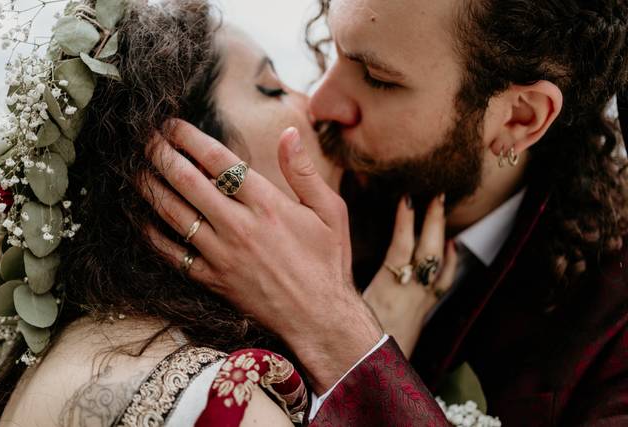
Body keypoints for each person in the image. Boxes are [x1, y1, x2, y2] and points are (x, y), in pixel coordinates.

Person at [145, 0, 628, 425]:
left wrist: (340, 335)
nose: (321, 102)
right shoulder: (287, 193)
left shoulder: (612, 327)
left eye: (378, 79)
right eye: (336, 49)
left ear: (520, 116)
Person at [0, 0, 455, 426]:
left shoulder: (90, 342)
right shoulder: (221, 399)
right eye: (271, 89)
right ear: (182, 171)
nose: (314, 104)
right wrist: (358, 349)